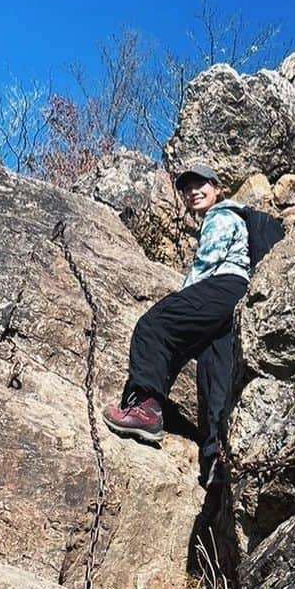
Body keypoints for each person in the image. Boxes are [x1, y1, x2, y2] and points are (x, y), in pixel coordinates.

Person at [102, 162, 249, 484]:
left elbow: (207, 262)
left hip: (223, 287)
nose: (193, 191)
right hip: (235, 303)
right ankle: (215, 462)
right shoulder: (235, 216)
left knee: (154, 326)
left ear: (217, 188)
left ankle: (145, 410)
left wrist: (184, 298)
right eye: (186, 187)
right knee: (214, 374)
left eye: (201, 184)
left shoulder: (222, 215)